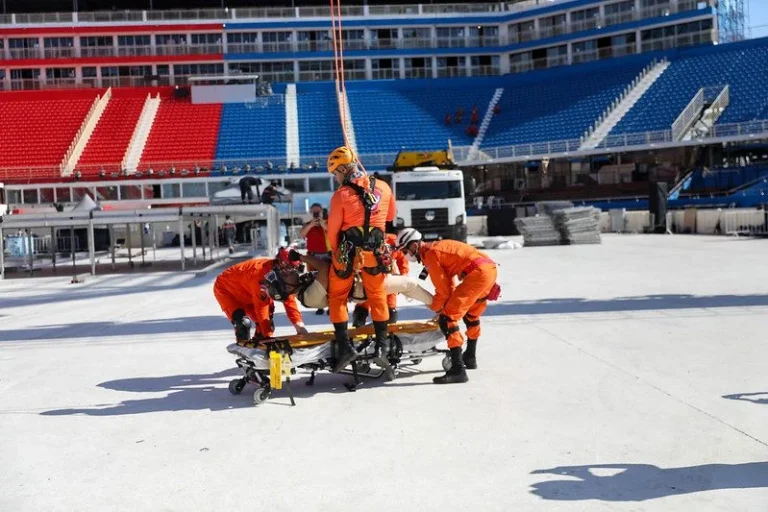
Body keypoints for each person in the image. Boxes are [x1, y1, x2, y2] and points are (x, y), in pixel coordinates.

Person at [396, 228, 501, 384]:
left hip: (478, 274)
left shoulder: (431, 254)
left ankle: (458, 369)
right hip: (488, 269)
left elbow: (443, 291)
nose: (405, 254)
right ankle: (470, 357)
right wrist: (445, 303)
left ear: (414, 246)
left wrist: (435, 307)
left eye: (405, 250)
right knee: (471, 313)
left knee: (447, 318)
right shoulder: (435, 249)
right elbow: (449, 286)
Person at [325, 146, 397, 375]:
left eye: (336, 172)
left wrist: (337, 256)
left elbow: (333, 231)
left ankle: (345, 348)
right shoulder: (384, 187)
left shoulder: (341, 195)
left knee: (337, 297)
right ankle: (382, 347)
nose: (336, 178)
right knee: (377, 297)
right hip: (376, 252)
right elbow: (391, 216)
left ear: (345, 169)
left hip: (348, 251)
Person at [287, 249, 433, 315]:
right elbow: (325, 268)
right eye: (285, 277)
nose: (286, 272)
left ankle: (436, 306)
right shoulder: (309, 297)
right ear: (287, 288)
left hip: (359, 281)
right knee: (409, 284)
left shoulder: (305, 288)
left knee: (401, 278)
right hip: (361, 287)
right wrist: (301, 257)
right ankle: (438, 307)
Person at [213, 249, 308, 343]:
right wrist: (268, 339)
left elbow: (288, 299)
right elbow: (261, 308)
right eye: (290, 270)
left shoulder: (283, 275)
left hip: (249, 293)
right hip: (227, 290)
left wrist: (299, 326)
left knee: (267, 326)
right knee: (242, 324)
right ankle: (243, 350)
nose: (292, 275)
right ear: (280, 265)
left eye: (294, 271)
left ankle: (258, 346)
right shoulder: (260, 275)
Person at [351, 232, 408, 327]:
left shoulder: (392, 240)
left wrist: (403, 276)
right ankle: (358, 327)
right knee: (362, 307)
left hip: (388, 277)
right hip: (368, 277)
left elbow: (402, 258)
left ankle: (389, 333)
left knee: (390, 309)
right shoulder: (362, 239)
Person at [297, 202, 331, 315]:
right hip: (313, 256)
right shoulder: (308, 225)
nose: (316, 214)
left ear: (322, 211)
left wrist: (322, 223)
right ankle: (319, 305)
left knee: (331, 280)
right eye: (314, 212)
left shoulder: (327, 223)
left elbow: (331, 232)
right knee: (314, 281)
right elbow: (301, 235)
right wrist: (311, 225)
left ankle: (331, 304)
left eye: (318, 211)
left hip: (327, 255)